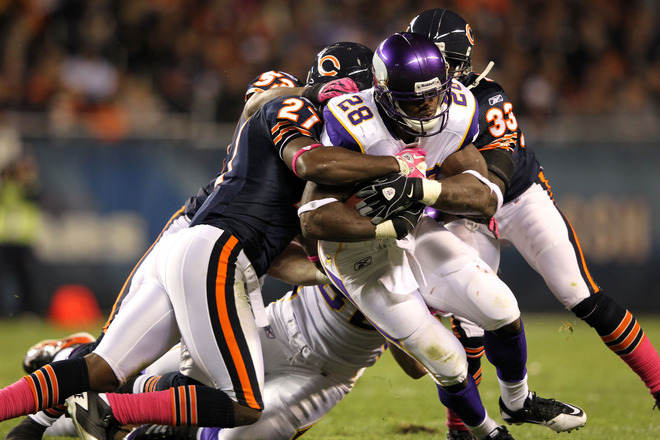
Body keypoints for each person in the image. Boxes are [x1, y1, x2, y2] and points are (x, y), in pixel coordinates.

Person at [0, 41, 428, 439]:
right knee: (240, 402)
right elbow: (300, 150)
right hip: (216, 250)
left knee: (105, 367)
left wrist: (345, 269)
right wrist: (397, 164)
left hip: (205, 246)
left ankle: (30, 426)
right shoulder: (298, 109)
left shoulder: (322, 134)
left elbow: (291, 246)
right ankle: (112, 409)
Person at [299, 32, 586, 440]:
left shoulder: (455, 113)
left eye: (435, 96)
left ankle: (517, 401)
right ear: (383, 94)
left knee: (502, 307)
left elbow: (484, 197)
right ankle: (486, 433)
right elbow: (313, 220)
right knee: (447, 360)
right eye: (416, 101)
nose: (430, 108)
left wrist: (420, 189)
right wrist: (383, 221)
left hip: (415, 227)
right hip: (355, 252)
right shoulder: (354, 125)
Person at [407, 9, 660, 438]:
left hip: (514, 197)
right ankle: (462, 429)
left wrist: (453, 196)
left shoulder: (484, 97)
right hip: (456, 209)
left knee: (579, 293)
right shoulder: (401, 101)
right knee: (470, 317)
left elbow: (497, 177)